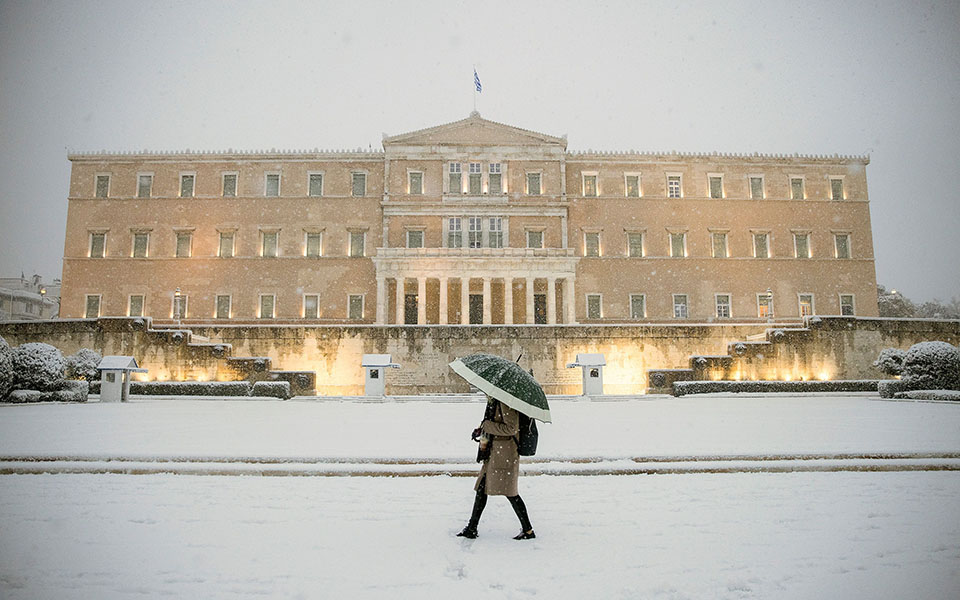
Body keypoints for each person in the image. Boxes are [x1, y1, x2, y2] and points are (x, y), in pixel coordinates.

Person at [457, 396, 535, 540]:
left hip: (504, 454)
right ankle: (472, 528)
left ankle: (528, 530)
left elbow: (511, 428)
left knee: (510, 492)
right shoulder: (496, 401)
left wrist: (487, 426)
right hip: (494, 452)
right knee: (482, 488)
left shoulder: (506, 402)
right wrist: (482, 429)